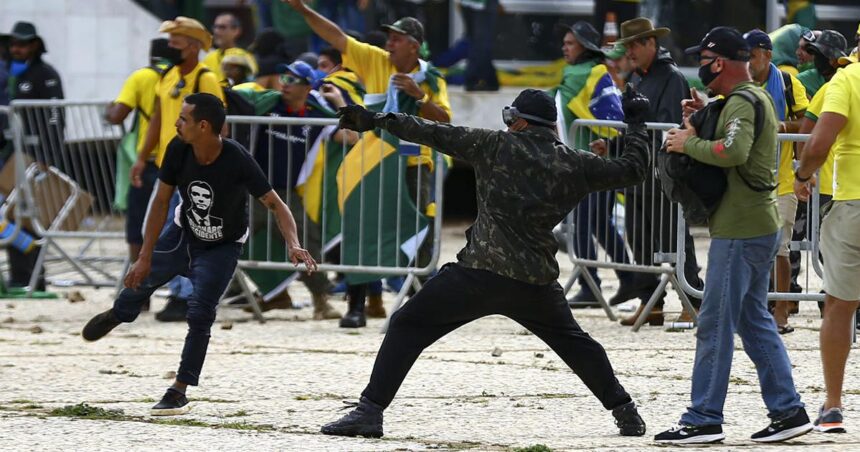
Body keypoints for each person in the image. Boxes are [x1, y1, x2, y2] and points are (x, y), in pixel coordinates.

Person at [320, 87, 650, 439]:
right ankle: (625, 411)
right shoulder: (575, 162)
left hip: (479, 274)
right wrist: (636, 123)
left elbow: (432, 131)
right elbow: (632, 170)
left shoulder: (494, 145)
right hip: (535, 281)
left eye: (510, 119)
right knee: (576, 344)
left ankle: (370, 412)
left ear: (519, 121)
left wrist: (377, 120)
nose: (507, 126)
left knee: (406, 325)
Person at [82, 93, 316, 415]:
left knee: (200, 313)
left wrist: (292, 242)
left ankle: (179, 389)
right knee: (135, 287)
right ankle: (119, 314)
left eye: (182, 119)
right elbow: (161, 202)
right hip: (181, 235)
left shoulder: (237, 159)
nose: (176, 124)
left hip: (222, 247)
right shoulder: (178, 149)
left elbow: (276, 204)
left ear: (203, 126)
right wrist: (145, 255)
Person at [655, 27, 811, 444]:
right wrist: (703, 116)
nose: (700, 67)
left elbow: (734, 151)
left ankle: (703, 416)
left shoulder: (743, 101)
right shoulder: (744, 100)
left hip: (741, 230)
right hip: (751, 225)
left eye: (703, 59)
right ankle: (788, 411)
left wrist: (688, 144)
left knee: (715, 322)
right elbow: (731, 138)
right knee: (754, 320)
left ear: (718, 62)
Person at [285, 0, 452, 327]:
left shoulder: (431, 77)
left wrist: (419, 96)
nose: (388, 43)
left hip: (413, 163)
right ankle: (357, 306)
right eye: (389, 37)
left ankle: (418, 307)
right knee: (361, 230)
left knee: (417, 232)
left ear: (414, 46)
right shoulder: (376, 60)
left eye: (396, 38)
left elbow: (445, 120)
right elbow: (336, 37)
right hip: (371, 163)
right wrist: (303, 9)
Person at [608, 17, 703, 326]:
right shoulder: (637, 79)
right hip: (638, 172)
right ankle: (651, 303)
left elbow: (664, 124)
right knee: (641, 241)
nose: (630, 51)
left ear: (651, 43)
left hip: (662, 173)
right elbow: (635, 127)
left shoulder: (671, 77)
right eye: (627, 46)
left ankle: (694, 300)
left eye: (636, 44)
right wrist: (611, 148)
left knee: (673, 239)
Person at [246, 60, 355, 319]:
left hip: (284, 194)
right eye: (284, 77)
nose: (285, 83)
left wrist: (339, 101)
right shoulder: (267, 104)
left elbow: (352, 137)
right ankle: (199, 295)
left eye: (293, 79)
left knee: (307, 243)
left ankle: (321, 300)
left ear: (308, 87)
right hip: (250, 190)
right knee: (223, 240)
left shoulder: (318, 114)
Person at [134, 16, 225, 322]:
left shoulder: (206, 78)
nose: (169, 46)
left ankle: (185, 296)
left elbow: (219, 126)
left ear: (193, 45)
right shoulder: (167, 75)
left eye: (175, 41)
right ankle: (176, 292)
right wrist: (141, 156)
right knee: (167, 232)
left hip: (196, 168)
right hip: (168, 166)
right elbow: (157, 120)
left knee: (186, 235)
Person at [794, 51, 860, 435]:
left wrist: (802, 174)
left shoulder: (847, 79)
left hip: (852, 202)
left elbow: (820, 140)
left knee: (839, 306)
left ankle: (833, 406)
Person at [550, 21, 638, 306]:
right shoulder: (583, 74)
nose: (565, 47)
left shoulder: (593, 74)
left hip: (596, 163)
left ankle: (592, 286)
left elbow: (612, 120)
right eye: (564, 43)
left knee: (585, 223)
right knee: (598, 223)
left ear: (584, 47)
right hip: (587, 163)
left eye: (570, 43)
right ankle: (628, 279)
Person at [743, 29, 808, 334]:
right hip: (745, 178)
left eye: (751, 56)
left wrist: (781, 125)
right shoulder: (737, 83)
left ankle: (781, 308)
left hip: (781, 178)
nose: (747, 62)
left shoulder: (786, 82)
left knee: (780, 248)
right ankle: (752, 306)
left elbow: (807, 122)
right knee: (746, 245)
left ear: (767, 55)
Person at [106, 38, 174, 311]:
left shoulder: (142, 77)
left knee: (138, 227)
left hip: (149, 161)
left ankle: (138, 291)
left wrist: (108, 109)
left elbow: (117, 115)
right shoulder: (178, 77)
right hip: (178, 161)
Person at [1, 21, 64, 291]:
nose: (16, 48)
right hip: (10, 154)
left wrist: (48, 156)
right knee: (11, 215)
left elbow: (55, 116)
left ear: (34, 45)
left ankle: (34, 277)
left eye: (22, 44)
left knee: (32, 217)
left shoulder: (45, 74)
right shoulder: (9, 73)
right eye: (13, 43)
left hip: (34, 156)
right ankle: (18, 275)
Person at [202, 12, 257, 85]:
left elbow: (252, 85)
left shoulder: (245, 57)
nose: (216, 31)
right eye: (215, 27)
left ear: (236, 31)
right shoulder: (208, 58)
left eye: (222, 27)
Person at [459, 0, 499, 91]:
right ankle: (484, 80)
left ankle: (481, 79)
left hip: (484, 4)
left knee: (481, 42)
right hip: (468, 3)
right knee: (474, 41)